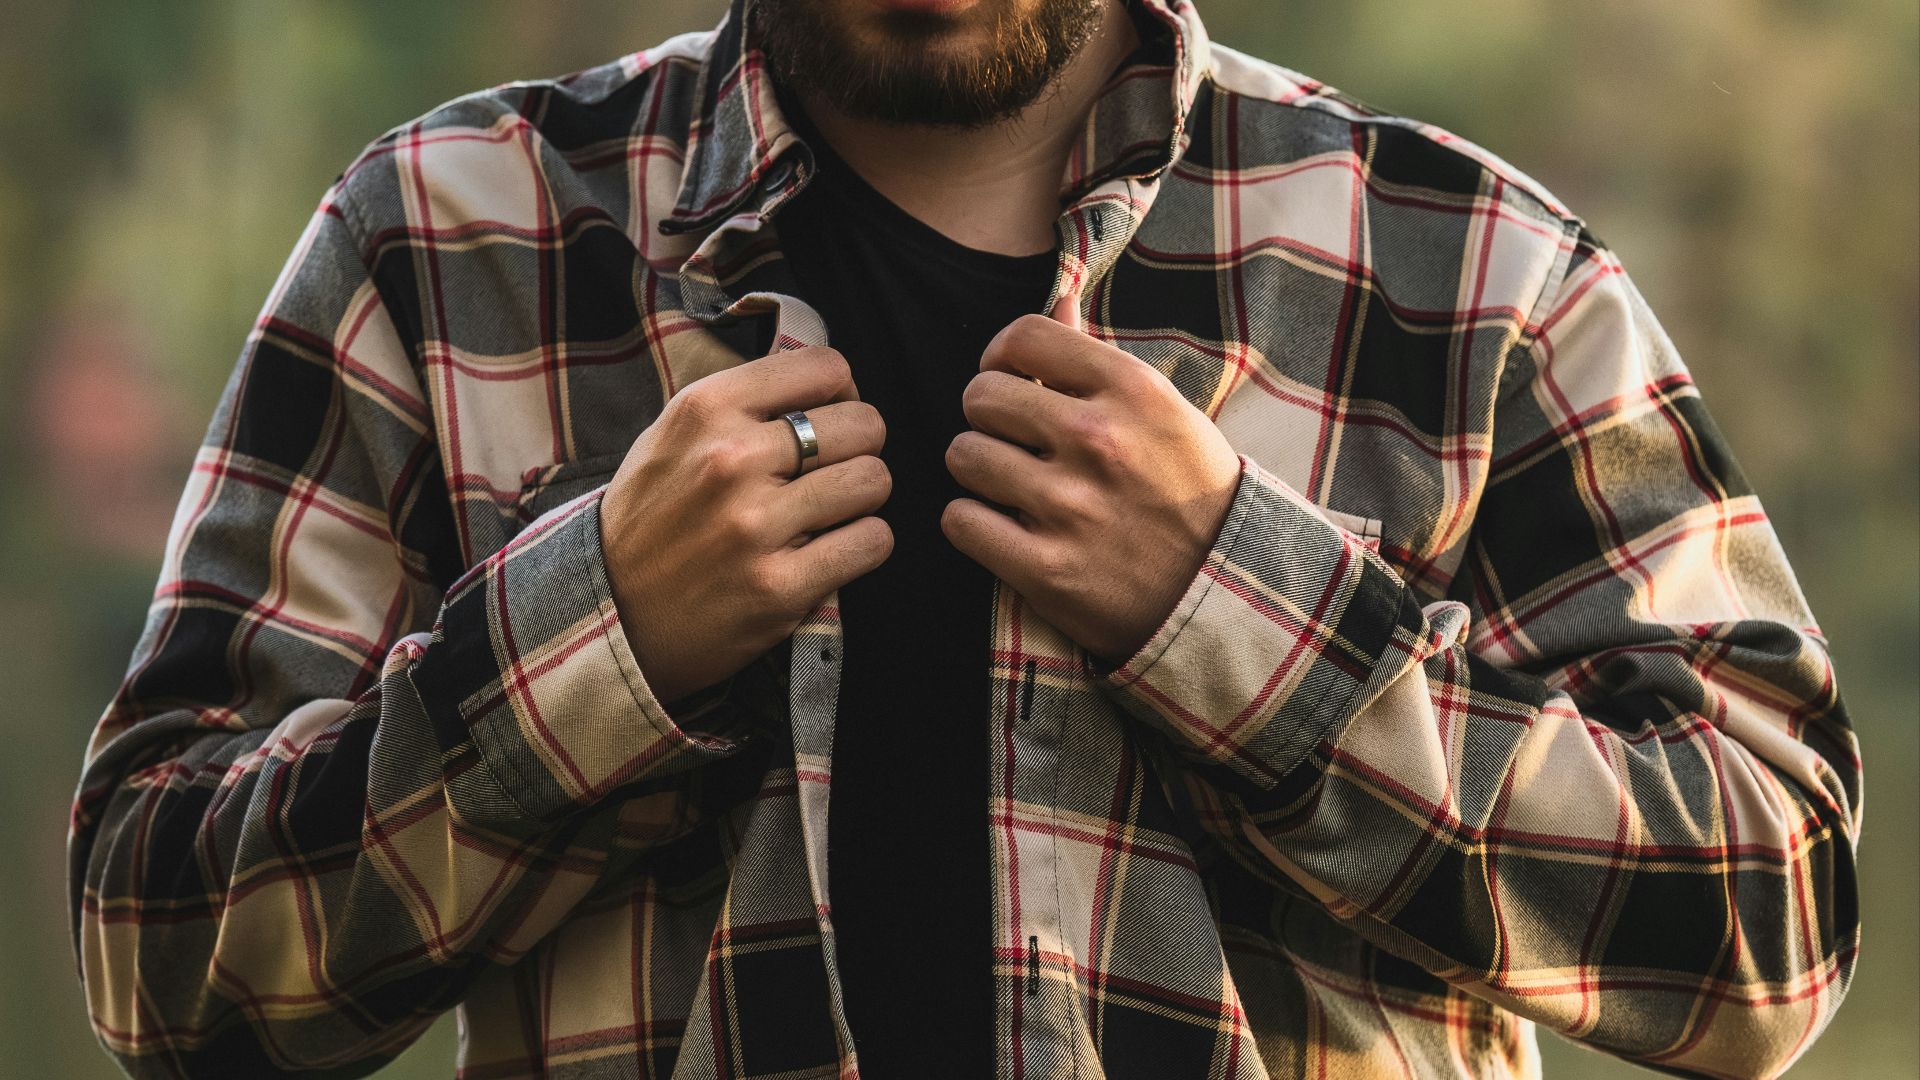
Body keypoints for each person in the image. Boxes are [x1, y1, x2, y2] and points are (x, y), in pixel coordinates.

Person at [67, 0, 1861, 1076]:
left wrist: (1250, 619)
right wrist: (586, 647)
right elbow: (152, 953)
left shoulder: (1474, 271)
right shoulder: (438, 241)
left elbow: (1774, 923)